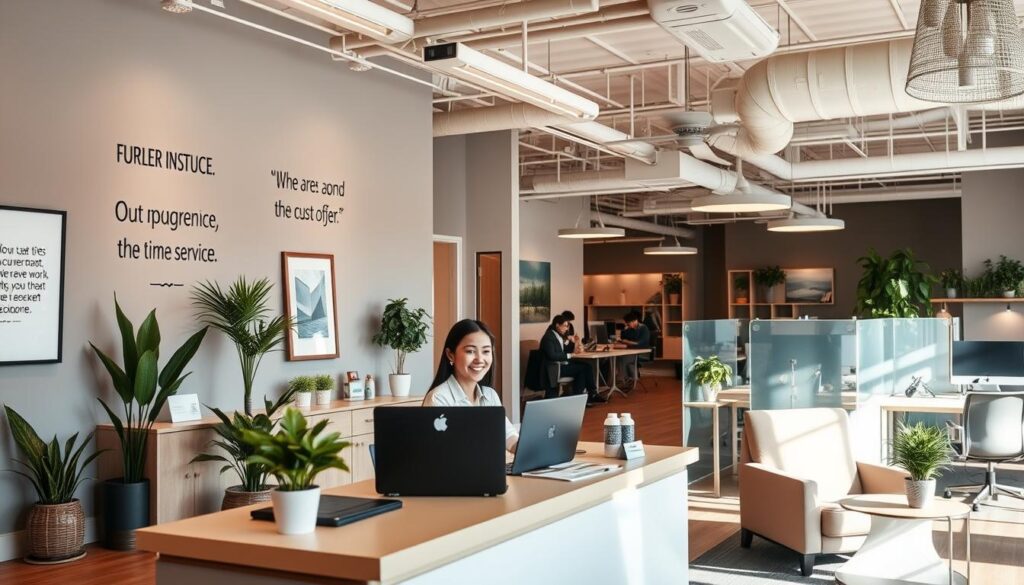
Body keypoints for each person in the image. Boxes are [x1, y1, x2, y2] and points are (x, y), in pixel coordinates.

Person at [423, 319, 519, 452]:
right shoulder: (439, 398)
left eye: (486, 351)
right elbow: (444, 453)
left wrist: (528, 450)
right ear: (450, 355)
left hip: (487, 468)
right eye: (470, 351)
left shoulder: (490, 395)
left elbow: (509, 437)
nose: (479, 359)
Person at [540, 315, 605, 404]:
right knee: (582, 369)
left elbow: (566, 350)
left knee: (586, 366)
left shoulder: (558, 336)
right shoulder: (548, 337)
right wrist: (570, 355)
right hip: (555, 368)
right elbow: (552, 356)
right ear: (557, 325)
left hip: (562, 364)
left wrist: (576, 343)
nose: (567, 329)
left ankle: (586, 395)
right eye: (565, 326)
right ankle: (583, 397)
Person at [618, 310, 652, 385]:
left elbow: (638, 343)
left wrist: (625, 341)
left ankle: (624, 380)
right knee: (618, 357)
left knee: (622, 358)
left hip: (642, 352)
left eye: (628, 323)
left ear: (635, 321)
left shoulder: (643, 328)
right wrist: (624, 330)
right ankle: (624, 379)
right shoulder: (631, 329)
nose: (627, 325)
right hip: (632, 350)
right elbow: (624, 338)